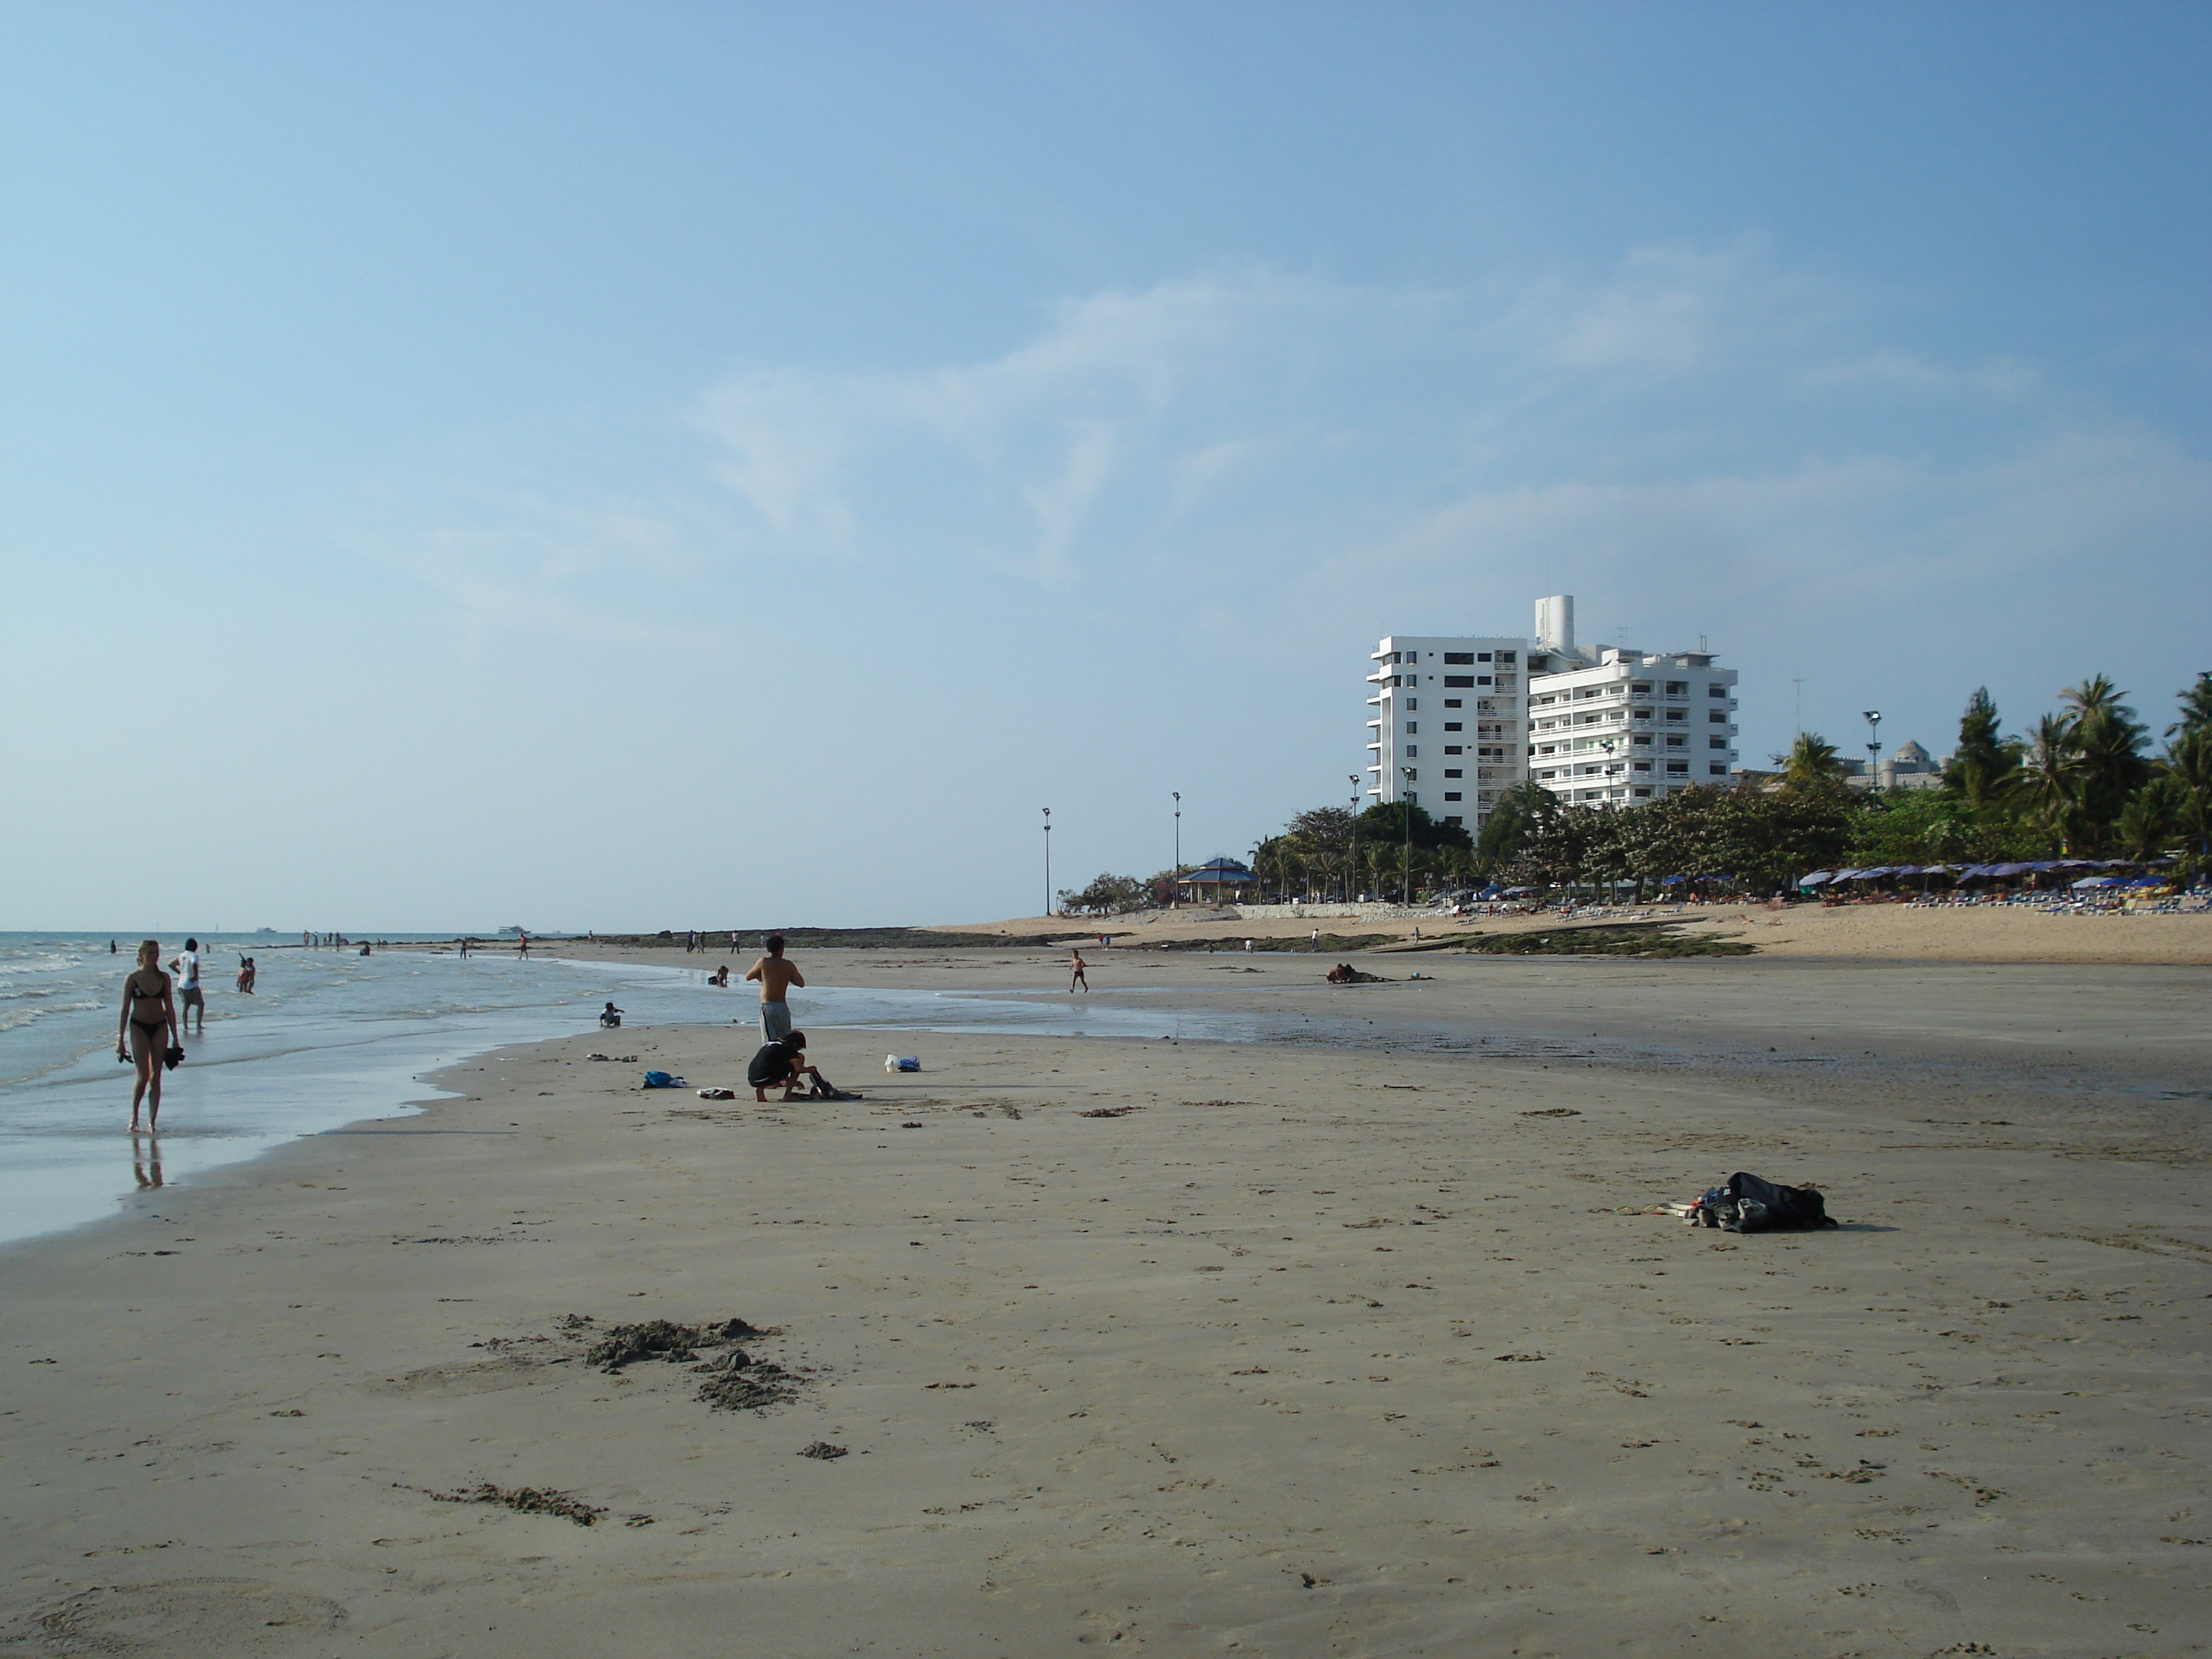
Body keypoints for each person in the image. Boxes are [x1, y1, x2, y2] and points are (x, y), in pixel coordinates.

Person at [116, 940, 180, 1133]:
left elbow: (169, 1007)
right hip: (138, 1027)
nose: (155, 956)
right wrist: (120, 1040)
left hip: (160, 1027)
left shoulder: (164, 978)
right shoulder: (132, 979)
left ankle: (152, 1121)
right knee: (143, 1075)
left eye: (157, 952)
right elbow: (125, 1009)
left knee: (156, 1076)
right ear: (142, 955)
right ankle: (134, 1117)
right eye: (150, 952)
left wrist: (176, 1038)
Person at [745, 933, 804, 1041]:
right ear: (782, 949)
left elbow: (748, 976)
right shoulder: (788, 965)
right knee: (786, 1040)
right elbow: (801, 983)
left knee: (770, 1041)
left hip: (768, 1005)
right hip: (782, 1007)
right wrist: (785, 976)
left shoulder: (763, 962)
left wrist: (763, 977)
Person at [747, 1030, 829, 1102]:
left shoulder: (771, 1044)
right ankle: (787, 1095)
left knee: (765, 1067)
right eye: (798, 1048)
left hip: (753, 1079)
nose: (797, 1050)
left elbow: (771, 1066)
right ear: (795, 1044)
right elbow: (799, 1069)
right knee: (800, 1057)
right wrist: (810, 1069)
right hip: (767, 1078)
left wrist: (790, 1080)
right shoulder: (789, 1049)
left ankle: (760, 1095)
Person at [170, 938, 205, 1035]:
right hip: (191, 985)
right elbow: (194, 964)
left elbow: (171, 964)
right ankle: (198, 1024)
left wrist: (180, 973)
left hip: (181, 984)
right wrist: (195, 976)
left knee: (186, 1005)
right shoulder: (194, 955)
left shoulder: (182, 956)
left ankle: (185, 1026)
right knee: (200, 1004)